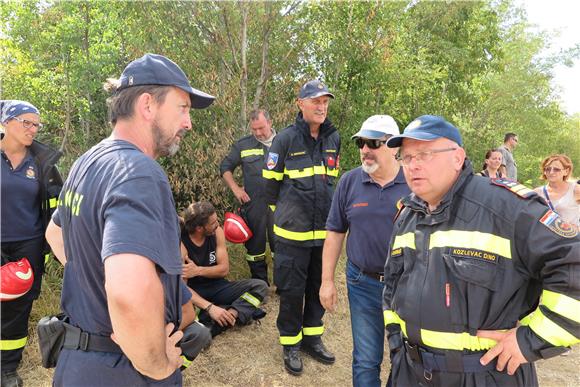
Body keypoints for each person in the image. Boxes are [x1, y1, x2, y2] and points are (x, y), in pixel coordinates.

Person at [44, 53, 215, 386]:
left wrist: (96, 282)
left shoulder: (86, 162)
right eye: (182, 108)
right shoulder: (139, 173)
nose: (188, 123)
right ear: (147, 105)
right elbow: (129, 291)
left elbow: (54, 233)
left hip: (78, 363)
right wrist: (158, 365)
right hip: (123, 369)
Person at [382, 115, 579, 386]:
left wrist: (529, 342)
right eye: (406, 157)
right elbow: (392, 288)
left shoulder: (506, 207)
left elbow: (574, 264)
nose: (413, 165)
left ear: (457, 157)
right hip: (410, 372)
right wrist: (396, 343)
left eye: (425, 154)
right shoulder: (407, 214)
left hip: (484, 374)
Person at [319, 115, 410, 387]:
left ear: (395, 147)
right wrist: (326, 282)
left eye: (374, 143)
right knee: (366, 359)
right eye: (361, 142)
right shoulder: (349, 182)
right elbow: (335, 232)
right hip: (362, 283)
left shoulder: (415, 182)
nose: (365, 150)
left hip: (408, 285)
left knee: (406, 358)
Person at [263, 79, 340, 375]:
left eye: (325, 101)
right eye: (315, 101)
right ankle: (291, 343)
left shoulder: (334, 138)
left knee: (318, 288)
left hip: (323, 236)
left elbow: (329, 182)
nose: (321, 106)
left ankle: (311, 338)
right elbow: (269, 188)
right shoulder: (284, 140)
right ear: (301, 104)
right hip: (291, 237)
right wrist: (285, 216)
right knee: (293, 292)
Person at [1, 100, 62, 387]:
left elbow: (57, 209)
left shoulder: (42, 164)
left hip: (27, 246)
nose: (33, 129)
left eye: (36, 124)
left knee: (17, 309)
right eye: (26, 122)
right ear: (6, 123)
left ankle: (7, 369)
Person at [180, 201, 268, 337]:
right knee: (184, 312)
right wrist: (209, 307)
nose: (217, 224)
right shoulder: (182, 244)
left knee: (260, 286)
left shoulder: (217, 232)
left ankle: (230, 315)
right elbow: (182, 288)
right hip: (195, 292)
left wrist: (197, 270)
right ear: (199, 228)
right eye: (213, 223)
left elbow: (224, 269)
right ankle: (221, 314)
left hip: (218, 287)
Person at [220, 109, 276, 284]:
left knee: (282, 247)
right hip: (254, 205)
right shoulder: (243, 145)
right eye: (254, 129)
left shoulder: (285, 141)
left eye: (261, 128)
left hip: (281, 205)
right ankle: (260, 286)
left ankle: (283, 287)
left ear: (270, 122)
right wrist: (236, 189)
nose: (258, 133)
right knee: (255, 249)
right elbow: (225, 167)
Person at [534, 154, 580, 226]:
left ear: (566, 171)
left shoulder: (576, 189)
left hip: (571, 236)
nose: (551, 172)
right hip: (545, 236)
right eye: (548, 169)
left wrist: (578, 229)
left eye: (556, 169)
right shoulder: (537, 192)